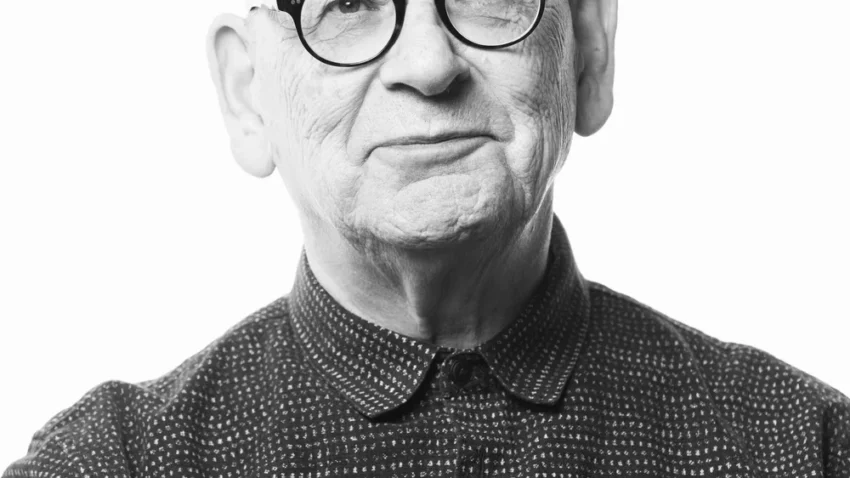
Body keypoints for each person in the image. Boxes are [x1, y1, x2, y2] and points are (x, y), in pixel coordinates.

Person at [3, 0, 848, 476]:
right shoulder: (109, 464)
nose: (429, 65)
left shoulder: (800, 447)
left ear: (588, 51)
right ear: (248, 92)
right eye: (349, 4)